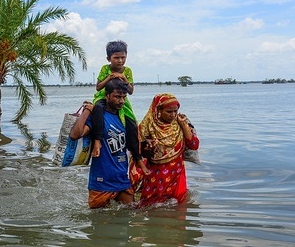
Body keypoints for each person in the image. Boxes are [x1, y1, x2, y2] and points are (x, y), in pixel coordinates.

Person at [69, 78, 149, 209]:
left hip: (122, 179)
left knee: (133, 213)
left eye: (124, 97)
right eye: (117, 97)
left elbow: (132, 144)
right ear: (107, 96)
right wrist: (87, 111)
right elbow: (74, 135)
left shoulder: (124, 118)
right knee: (99, 221)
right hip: (101, 181)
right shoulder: (98, 117)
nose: (121, 101)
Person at [136, 93, 200, 207]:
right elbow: (136, 149)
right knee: (150, 206)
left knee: (179, 208)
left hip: (177, 173)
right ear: (158, 110)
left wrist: (184, 125)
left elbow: (194, 145)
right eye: (169, 112)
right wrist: (147, 146)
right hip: (155, 174)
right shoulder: (148, 126)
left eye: (175, 111)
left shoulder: (181, 123)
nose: (173, 115)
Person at [91, 40, 136, 158]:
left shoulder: (127, 71)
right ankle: (97, 139)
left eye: (123, 57)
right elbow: (98, 87)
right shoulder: (105, 69)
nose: (120, 61)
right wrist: (109, 78)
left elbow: (130, 91)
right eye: (116, 58)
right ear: (108, 58)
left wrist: (124, 78)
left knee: (131, 121)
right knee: (98, 109)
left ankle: (134, 152)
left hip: (121, 97)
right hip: (103, 96)